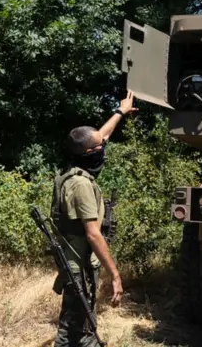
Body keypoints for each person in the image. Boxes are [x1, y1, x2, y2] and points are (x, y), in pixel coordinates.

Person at [50, 90, 138, 347]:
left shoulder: (78, 168)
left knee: (78, 323)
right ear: (89, 153)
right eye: (100, 148)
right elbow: (93, 234)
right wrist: (116, 274)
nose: (104, 149)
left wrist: (120, 112)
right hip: (79, 265)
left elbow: (101, 136)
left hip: (80, 263)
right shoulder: (81, 185)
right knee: (77, 329)